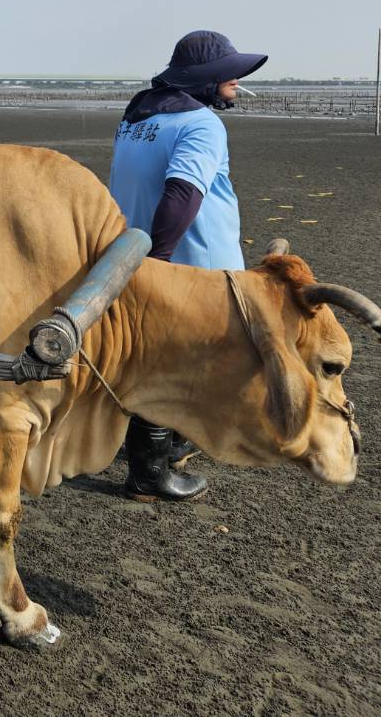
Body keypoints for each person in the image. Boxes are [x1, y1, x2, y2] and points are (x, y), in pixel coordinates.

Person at [108, 29, 267, 502]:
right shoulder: (202, 124)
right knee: (172, 362)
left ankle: (170, 440)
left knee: (160, 356)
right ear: (207, 78)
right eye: (231, 73)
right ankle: (149, 474)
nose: (237, 80)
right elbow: (182, 192)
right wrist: (160, 260)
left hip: (133, 252)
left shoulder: (138, 113)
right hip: (193, 266)